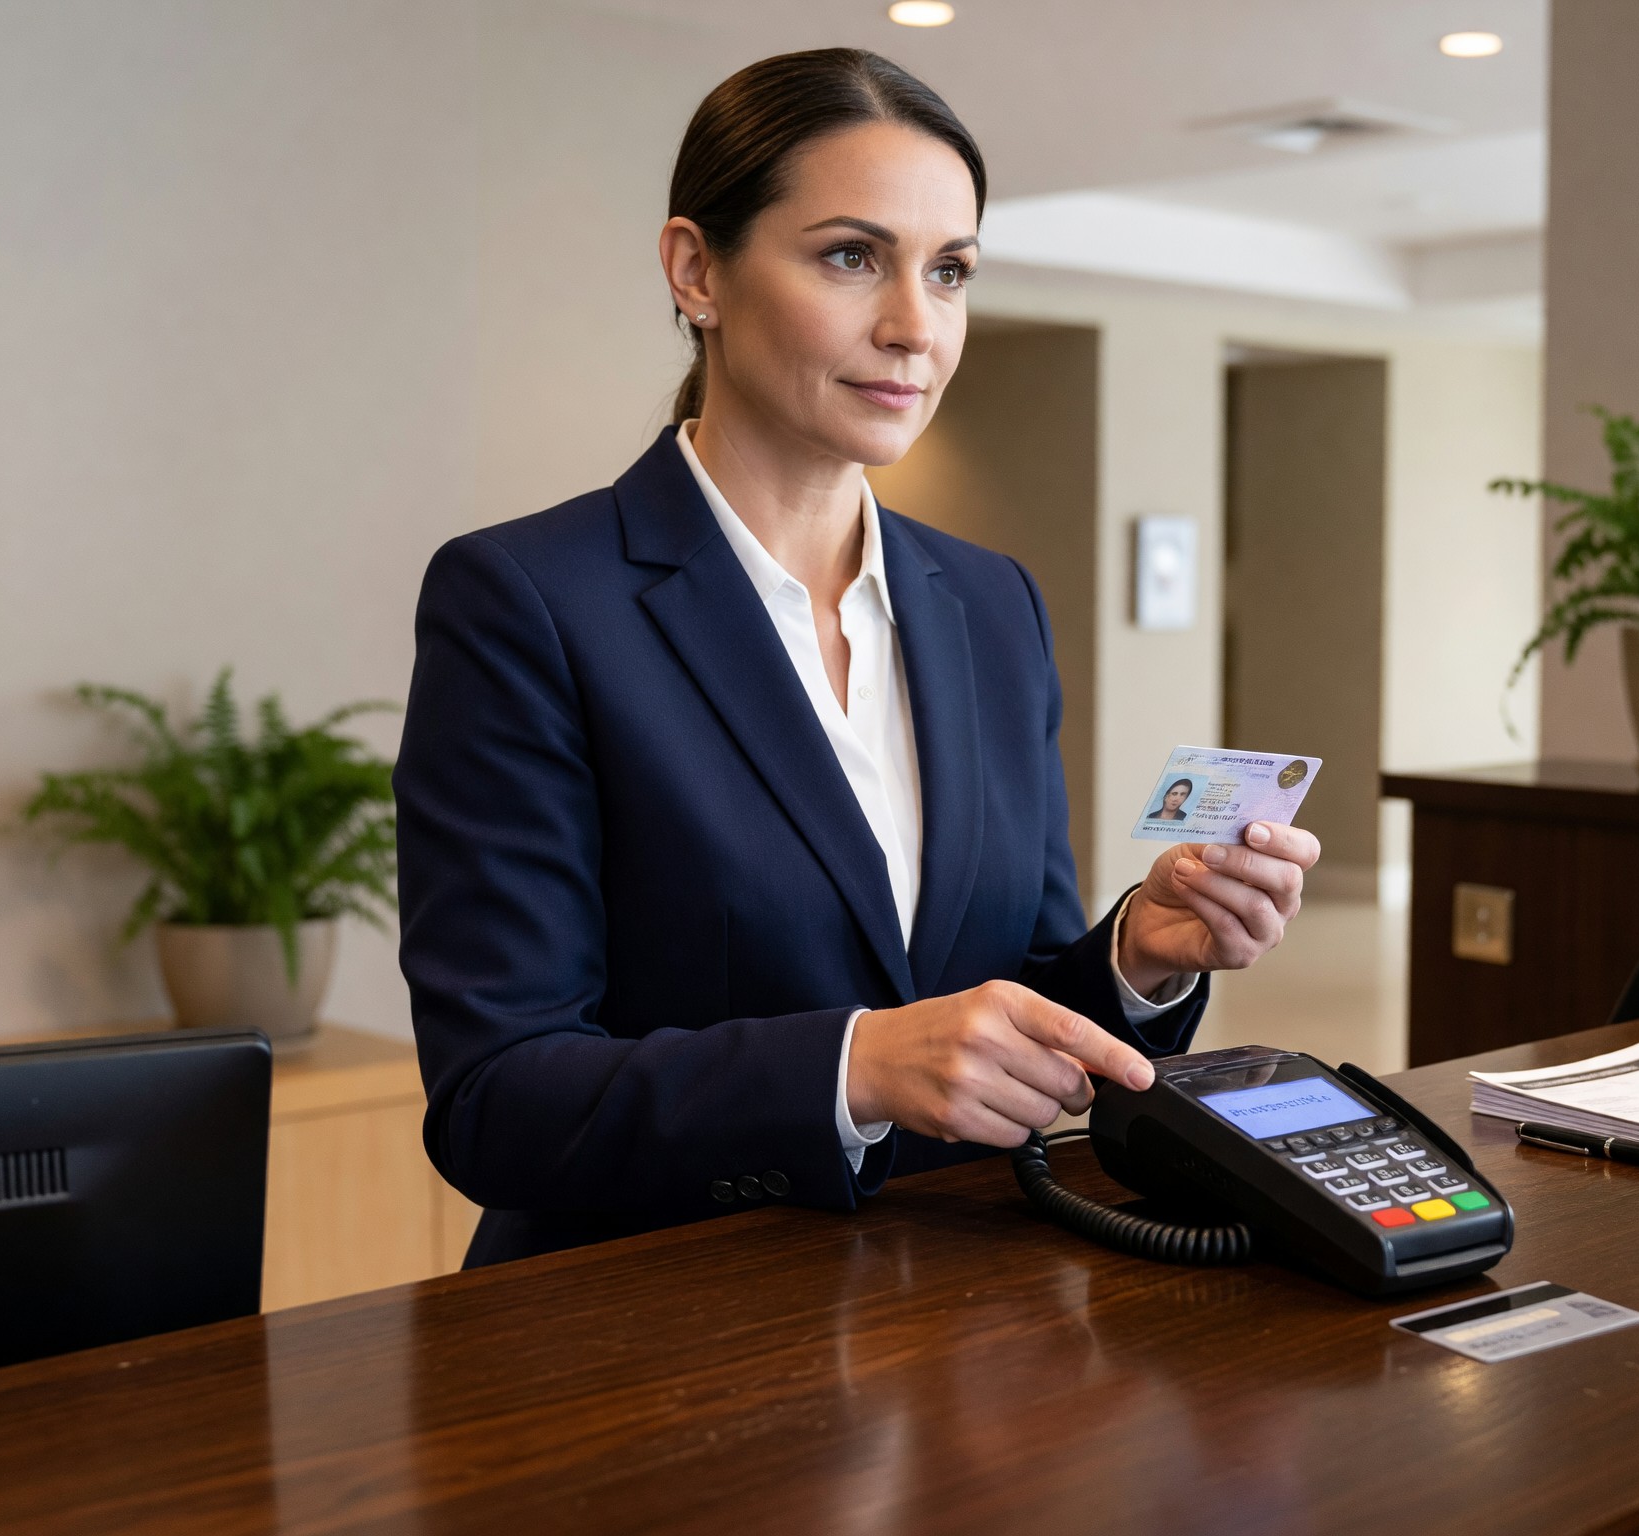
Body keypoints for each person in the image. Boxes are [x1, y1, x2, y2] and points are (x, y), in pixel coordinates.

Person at [395, 49, 1319, 1267]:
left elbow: (1012, 998)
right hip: (645, 1329)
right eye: (850, 257)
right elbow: (497, 1103)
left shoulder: (992, 604)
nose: (913, 327)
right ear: (695, 270)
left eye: (950, 273)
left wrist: (1140, 955)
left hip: (959, 1319)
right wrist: (854, 1066)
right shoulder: (526, 599)